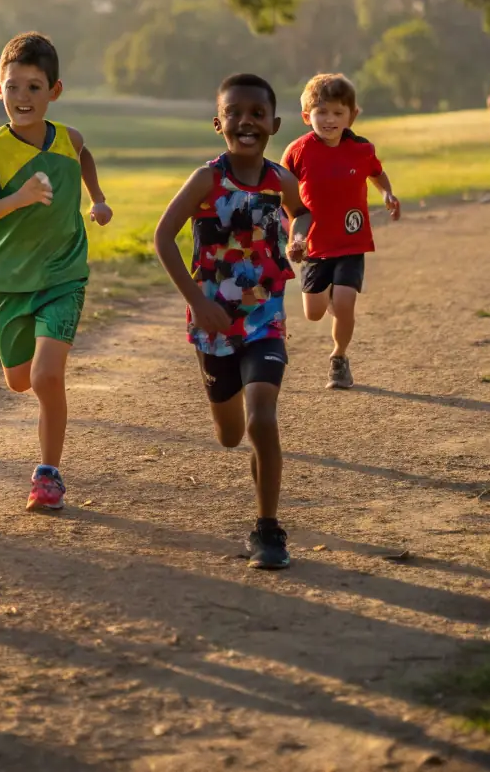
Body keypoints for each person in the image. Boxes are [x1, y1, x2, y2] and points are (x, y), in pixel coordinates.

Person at [154, 74, 310, 571]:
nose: (246, 121)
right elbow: (162, 238)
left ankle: (268, 528)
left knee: (261, 418)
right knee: (228, 433)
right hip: (214, 323)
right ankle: (240, 434)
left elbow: (301, 213)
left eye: (257, 114)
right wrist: (197, 303)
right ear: (218, 122)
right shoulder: (207, 179)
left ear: (274, 125)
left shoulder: (280, 179)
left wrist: (298, 238)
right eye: (235, 113)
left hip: (265, 318)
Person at [0, 32, 112, 512]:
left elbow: (83, 153)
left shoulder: (68, 139)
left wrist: (97, 198)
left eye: (34, 87)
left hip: (64, 275)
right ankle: (46, 456)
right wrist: (19, 199)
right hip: (10, 281)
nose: (22, 98)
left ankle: (48, 474)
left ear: (55, 91)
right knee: (20, 380)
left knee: (47, 377)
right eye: (13, 87)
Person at [281, 73, 400, 392]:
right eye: (322, 112)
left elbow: (377, 172)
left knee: (345, 303)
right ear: (307, 116)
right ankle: (331, 297)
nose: (330, 120)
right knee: (314, 313)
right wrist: (293, 237)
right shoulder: (297, 152)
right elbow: (283, 197)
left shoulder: (360, 149)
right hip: (314, 246)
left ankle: (339, 357)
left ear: (352, 115)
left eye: (337, 112)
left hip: (351, 240)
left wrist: (387, 193)